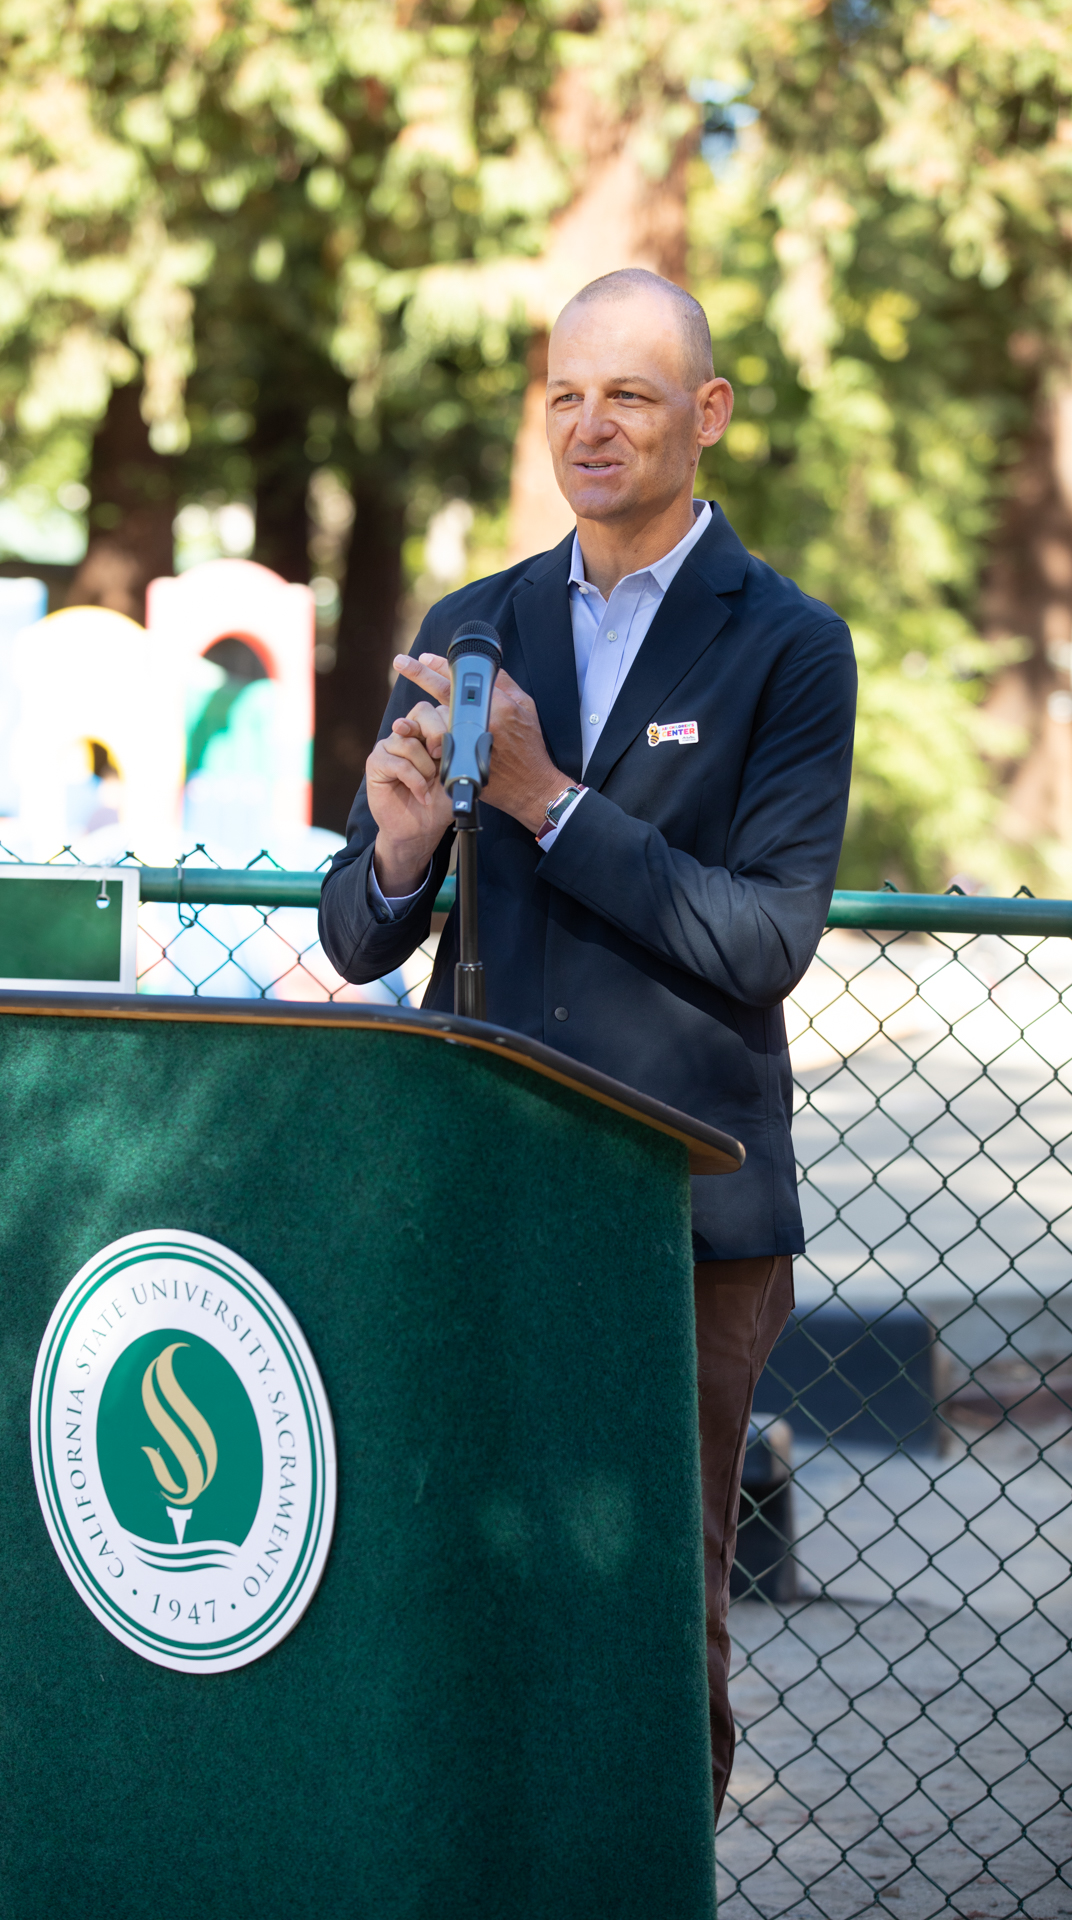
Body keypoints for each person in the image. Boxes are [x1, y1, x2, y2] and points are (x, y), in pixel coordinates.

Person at [318, 267, 857, 1816]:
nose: (589, 422)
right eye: (565, 391)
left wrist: (547, 802)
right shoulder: (471, 623)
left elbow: (766, 941)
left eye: (628, 392)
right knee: (452, 1581)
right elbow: (355, 935)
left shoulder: (789, 649)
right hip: (470, 1190)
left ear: (708, 415)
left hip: (676, 1215)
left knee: (642, 1620)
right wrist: (409, 851)